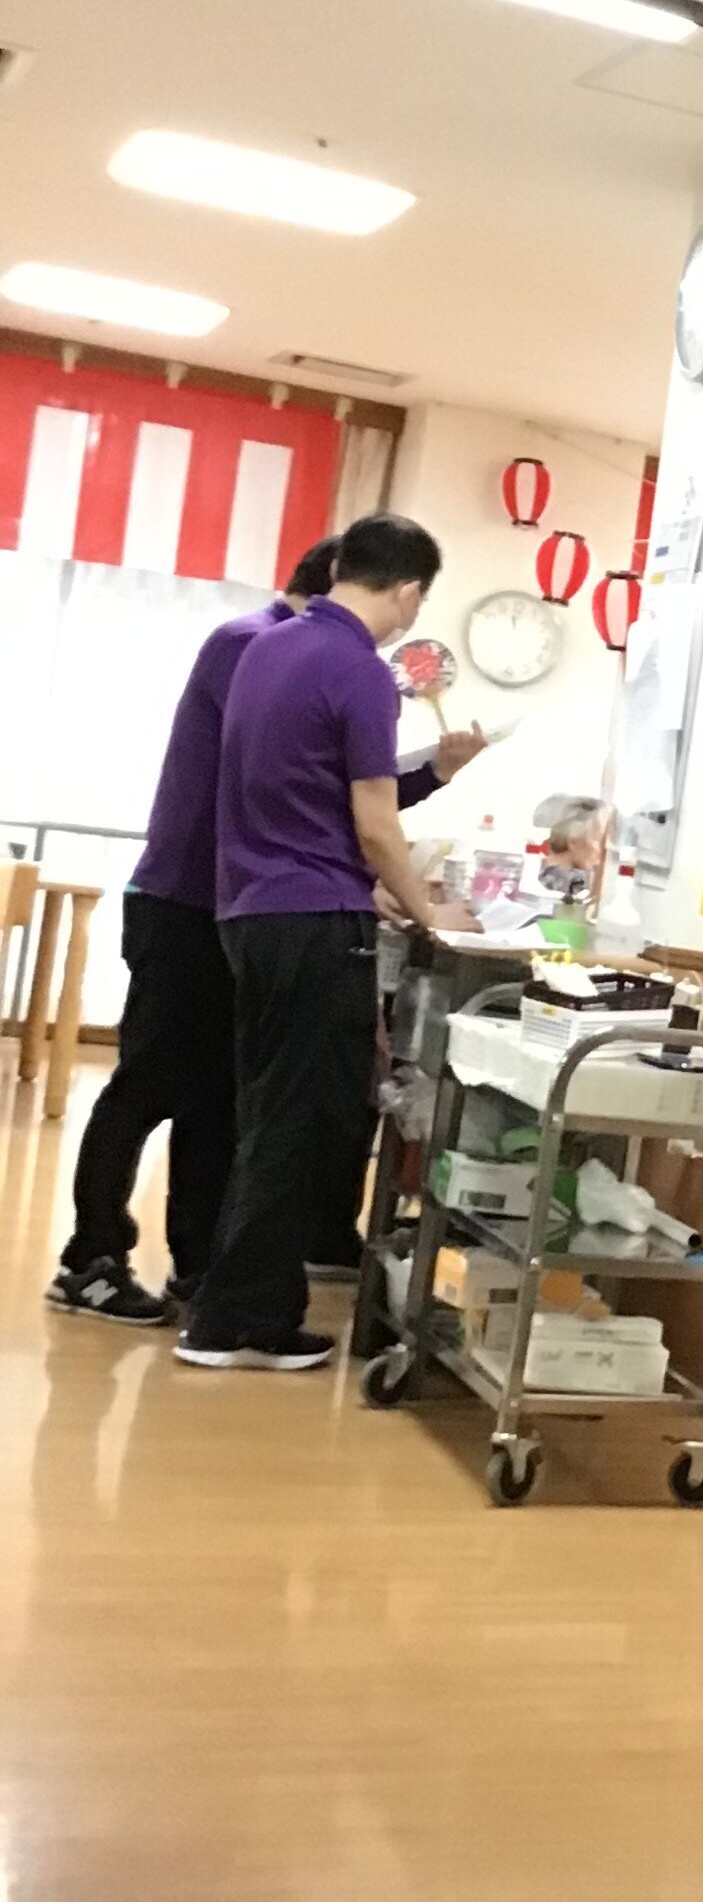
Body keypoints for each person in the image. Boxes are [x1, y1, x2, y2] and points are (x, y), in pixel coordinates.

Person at [50, 537, 482, 1326]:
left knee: (221, 1096)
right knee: (151, 1084)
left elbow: (312, 786)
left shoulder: (285, 647)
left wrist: (423, 785)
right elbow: (284, 788)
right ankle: (91, 1256)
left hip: (235, 901)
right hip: (185, 900)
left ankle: (199, 1263)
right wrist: (376, 880)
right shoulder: (254, 645)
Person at [177, 514, 468, 1376]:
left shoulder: (267, 647)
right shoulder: (361, 671)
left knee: (269, 1112)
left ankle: (243, 1308)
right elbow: (373, 822)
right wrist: (427, 912)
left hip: (248, 910)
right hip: (314, 918)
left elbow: (291, 792)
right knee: (304, 1121)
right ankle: (238, 1322)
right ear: (409, 592)